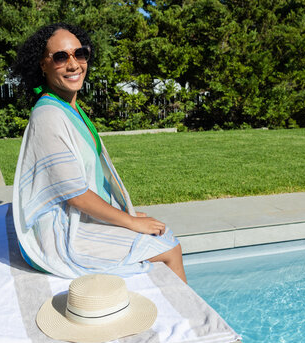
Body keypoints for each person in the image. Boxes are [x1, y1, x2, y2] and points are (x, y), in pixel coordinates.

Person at [12, 23, 186, 283]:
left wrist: (126, 213)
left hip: (78, 216)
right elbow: (75, 194)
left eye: (79, 54)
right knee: (169, 248)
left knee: (163, 234)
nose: (73, 65)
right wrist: (130, 222)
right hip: (64, 231)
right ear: (43, 65)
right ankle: (187, 321)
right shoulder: (48, 115)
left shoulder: (69, 108)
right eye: (61, 57)